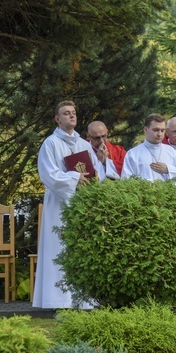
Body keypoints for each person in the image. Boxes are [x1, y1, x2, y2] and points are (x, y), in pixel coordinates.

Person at [34, 101, 99, 309]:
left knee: (81, 249)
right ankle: (58, 300)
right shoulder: (50, 143)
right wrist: (74, 177)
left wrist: (95, 175)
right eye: (66, 113)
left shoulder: (84, 144)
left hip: (82, 204)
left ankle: (84, 300)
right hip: (59, 206)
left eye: (73, 113)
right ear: (57, 119)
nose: (71, 116)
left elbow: (96, 171)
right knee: (58, 248)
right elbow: (48, 174)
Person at [121, 114, 176, 187]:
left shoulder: (171, 151)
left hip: (168, 196)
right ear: (145, 130)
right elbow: (126, 180)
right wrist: (152, 184)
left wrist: (168, 169)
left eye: (162, 130)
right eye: (156, 130)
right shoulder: (133, 154)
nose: (159, 134)